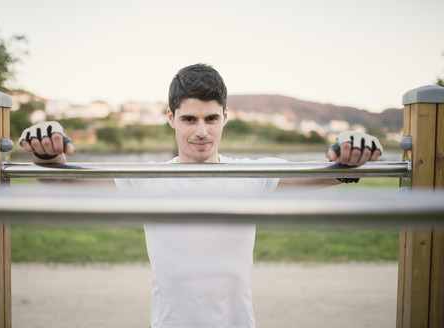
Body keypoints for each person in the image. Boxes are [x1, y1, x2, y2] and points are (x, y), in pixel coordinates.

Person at [19, 63, 382, 328]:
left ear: (225, 117)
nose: (201, 131)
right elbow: (63, 181)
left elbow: (331, 173)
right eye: (190, 119)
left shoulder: (251, 175)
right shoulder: (146, 179)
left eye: (210, 118)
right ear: (171, 118)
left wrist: (350, 151)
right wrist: (47, 151)